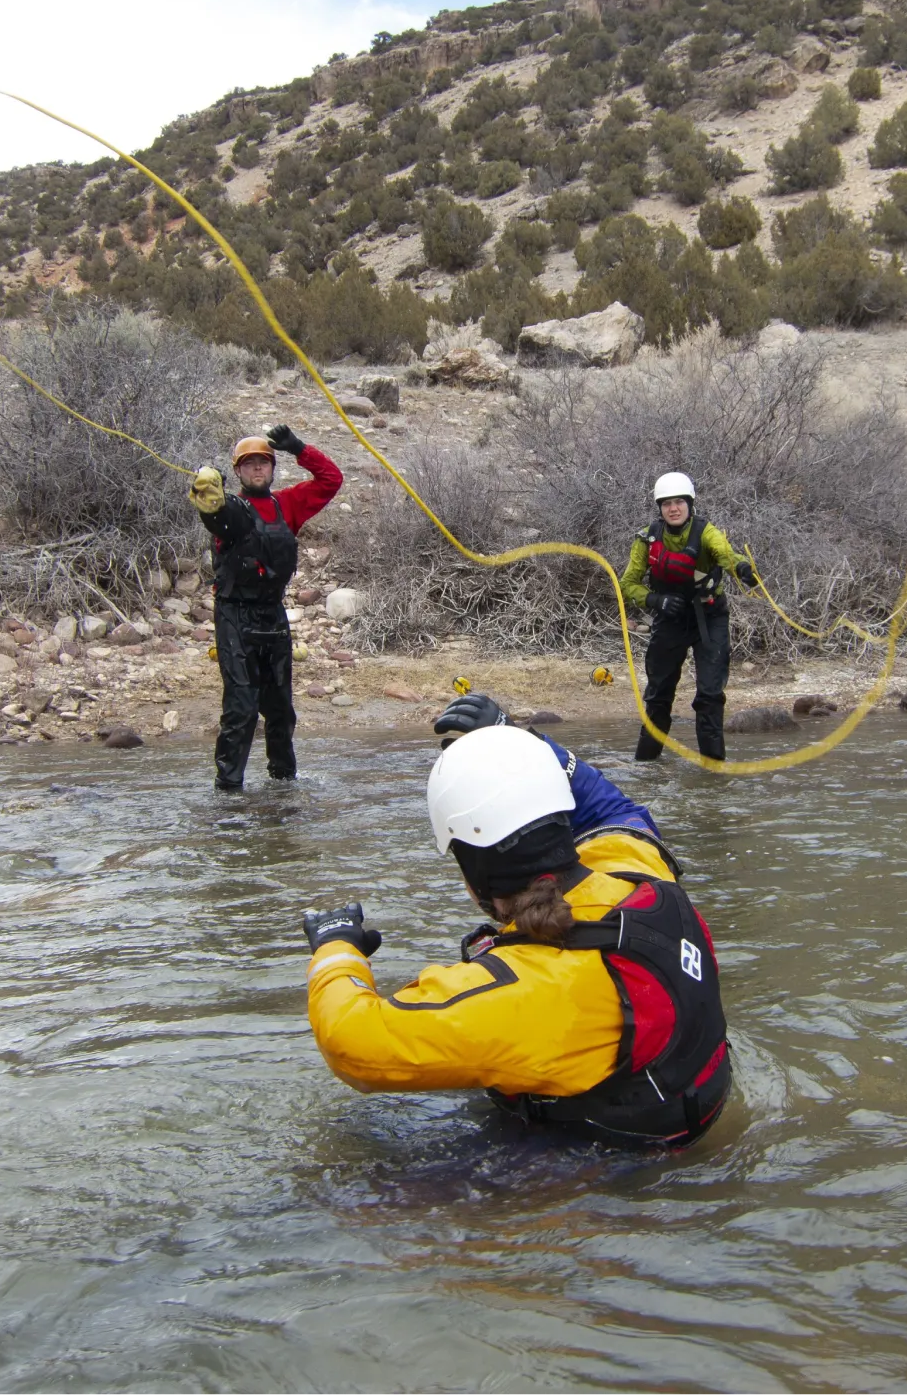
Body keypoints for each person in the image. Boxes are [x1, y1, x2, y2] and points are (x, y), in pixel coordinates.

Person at [303, 694, 730, 1150]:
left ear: (475, 872)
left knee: (355, 1143)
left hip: (593, 1164)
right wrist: (525, 743)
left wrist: (336, 948)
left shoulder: (523, 989)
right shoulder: (640, 874)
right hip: (683, 1107)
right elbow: (614, 811)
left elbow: (354, 1045)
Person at [189, 425, 342, 790]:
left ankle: (283, 788)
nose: (257, 468)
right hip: (234, 616)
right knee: (241, 709)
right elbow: (217, 517)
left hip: (273, 616)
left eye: (263, 462)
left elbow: (331, 480)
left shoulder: (287, 504)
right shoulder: (228, 507)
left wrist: (299, 448)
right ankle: (228, 793)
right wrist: (208, 491)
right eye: (249, 464)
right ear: (238, 471)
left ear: (272, 468)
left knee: (281, 711)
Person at [619, 471, 757, 764]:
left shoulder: (707, 532)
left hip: (709, 617)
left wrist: (742, 569)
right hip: (670, 619)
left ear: (689, 504)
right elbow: (628, 583)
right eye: (667, 503)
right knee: (658, 696)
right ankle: (646, 767)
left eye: (679, 502)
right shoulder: (646, 538)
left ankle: (713, 770)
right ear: (660, 508)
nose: (673, 508)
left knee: (710, 695)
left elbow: (725, 554)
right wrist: (655, 600)